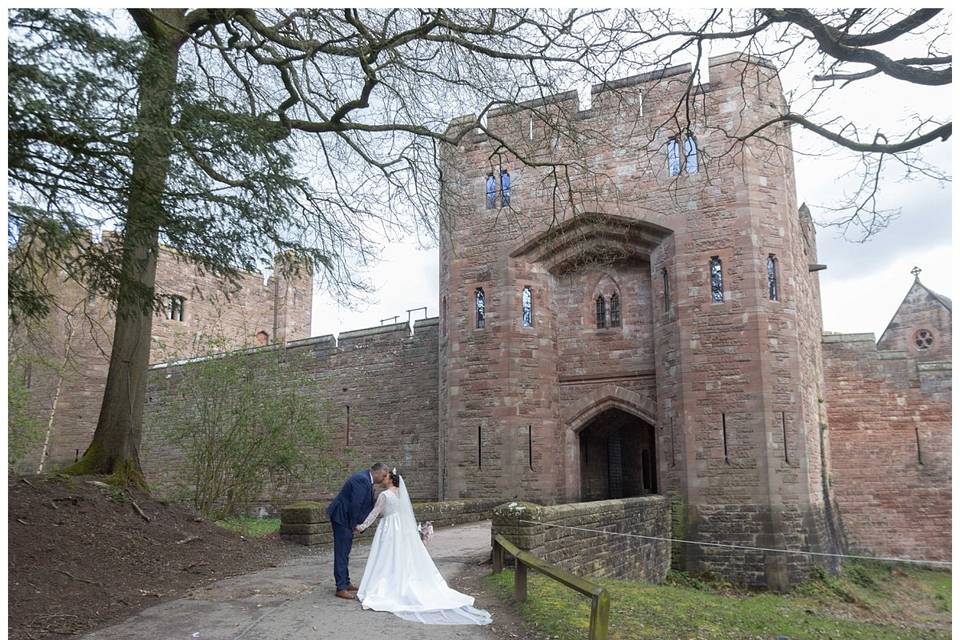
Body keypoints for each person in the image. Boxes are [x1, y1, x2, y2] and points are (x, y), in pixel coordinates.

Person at [355, 468, 492, 625]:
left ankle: (386, 584)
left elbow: (374, 513)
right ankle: (398, 580)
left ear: (391, 479)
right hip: (402, 530)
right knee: (400, 556)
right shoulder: (401, 494)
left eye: (385, 477)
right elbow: (406, 514)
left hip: (388, 528)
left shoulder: (384, 495)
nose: (383, 479)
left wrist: (361, 527)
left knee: (386, 557)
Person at [326, 463, 390, 599]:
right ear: (377, 472)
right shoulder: (362, 479)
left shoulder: (366, 479)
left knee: (345, 551)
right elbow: (356, 504)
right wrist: (355, 525)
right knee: (342, 551)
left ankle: (346, 582)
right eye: (383, 475)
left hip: (345, 517)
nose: (384, 478)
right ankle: (341, 587)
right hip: (342, 517)